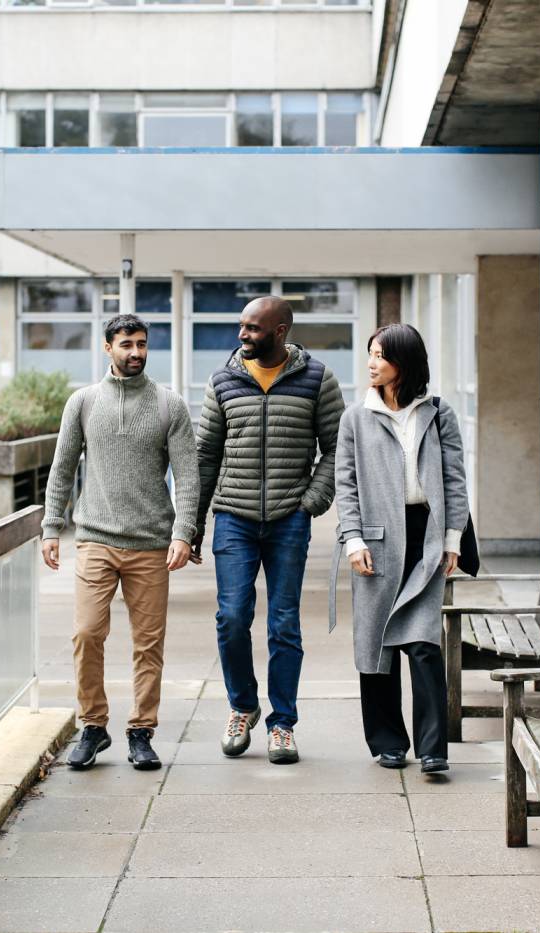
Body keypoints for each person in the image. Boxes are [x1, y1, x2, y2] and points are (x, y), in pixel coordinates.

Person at [41, 314, 199, 771]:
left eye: (142, 344)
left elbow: (188, 478)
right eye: (126, 344)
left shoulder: (170, 406)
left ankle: (141, 731)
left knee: (148, 643)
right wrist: (53, 526)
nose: (136, 352)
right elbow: (62, 468)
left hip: (151, 542)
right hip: (95, 538)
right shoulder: (84, 403)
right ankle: (93, 726)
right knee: (88, 633)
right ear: (107, 348)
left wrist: (183, 532)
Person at [192, 296, 344, 764]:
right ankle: (242, 706)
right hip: (233, 518)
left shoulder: (317, 379)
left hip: (288, 521)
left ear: (280, 331)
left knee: (284, 625)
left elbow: (337, 450)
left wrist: (310, 503)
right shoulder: (223, 380)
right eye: (241, 326)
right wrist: (192, 526)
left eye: (253, 328)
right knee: (232, 618)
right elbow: (204, 457)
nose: (243, 335)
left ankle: (282, 724)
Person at [331, 323, 468, 774]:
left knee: (425, 643)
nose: (371, 363)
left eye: (380, 356)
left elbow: (454, 480)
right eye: (370, 354)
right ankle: (388, 742)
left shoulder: (437, 413)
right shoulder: (355, 418)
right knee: (377, 647)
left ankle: (433, 750)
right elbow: (345, 484)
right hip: (376, 540)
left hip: (426, 536)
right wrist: (351, 539)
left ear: (403, 364)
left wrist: (452, 540)